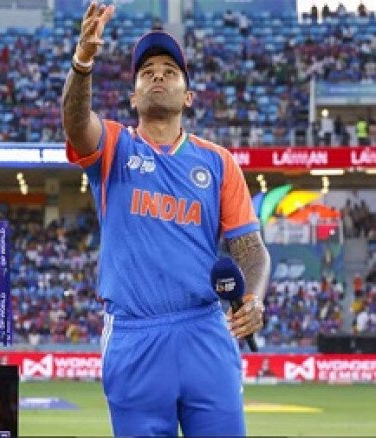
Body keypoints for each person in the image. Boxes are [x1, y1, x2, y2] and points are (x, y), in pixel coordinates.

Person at [61, 3, 270, 436]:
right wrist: (83, 61)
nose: (158, 76)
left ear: (188, 96)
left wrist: (252, 297)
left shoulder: (218, 162)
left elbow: (250, 249)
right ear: (133, 96)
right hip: (134, 335)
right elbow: (76, 124)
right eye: (147, 72)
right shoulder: (114, 145)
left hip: (204, 330)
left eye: (170, 72)